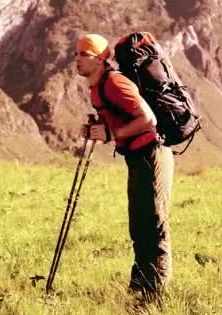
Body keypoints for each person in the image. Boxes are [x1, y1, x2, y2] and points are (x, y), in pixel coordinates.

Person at [75, 33, 174, 298]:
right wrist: (99, 129)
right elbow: (120, 121)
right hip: (137, 156)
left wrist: (109, 134)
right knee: (139, 226)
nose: (77, 59)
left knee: (152, 226)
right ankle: (139, 289)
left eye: (83, 54)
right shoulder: (98, 87)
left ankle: (154, 299)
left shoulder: (114, 82)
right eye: (77, 54)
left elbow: (148, 119)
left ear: (98, 59)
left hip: (152, 155)